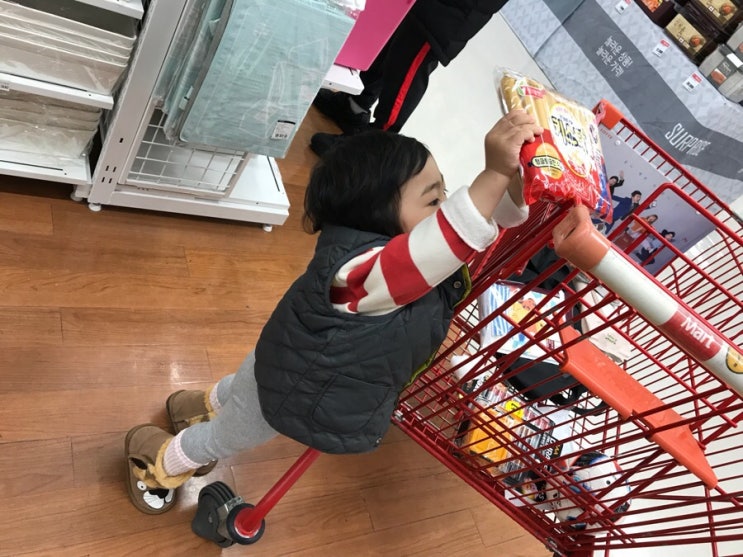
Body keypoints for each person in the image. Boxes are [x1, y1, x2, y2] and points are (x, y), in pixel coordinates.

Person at [124, 109, 542, 514]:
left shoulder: (400, 263)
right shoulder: (363, 275)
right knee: (229, 436)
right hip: (296, 389)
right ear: (377, 217)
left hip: (293, 361)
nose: (446, 209)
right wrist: (492, 174)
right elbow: (448, 237)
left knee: (249, 381)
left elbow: (475, 228)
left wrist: (512, 181)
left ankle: (199, 405)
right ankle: (160, 463)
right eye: (434, 200)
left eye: (444, 195)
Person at [310, 0, 510, 156]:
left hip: (451, 11)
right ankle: (354, 107)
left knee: (409, 63)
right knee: (390, 42)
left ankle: (375, 145)